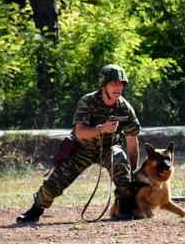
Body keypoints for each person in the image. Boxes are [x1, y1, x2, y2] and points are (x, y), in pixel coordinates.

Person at [17, 64, 141, 222]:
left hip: (109, 148)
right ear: (104, 85)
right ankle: (35, 211)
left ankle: (125, 209)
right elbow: (80, 131)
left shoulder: (125, 108)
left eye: (121, 84)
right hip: (83, 148)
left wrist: (133, 172)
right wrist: (101, 129)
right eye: (113, 83)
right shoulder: (88, 101)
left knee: (120, 163)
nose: (118, 87)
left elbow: (132, 141)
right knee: (56, 181)